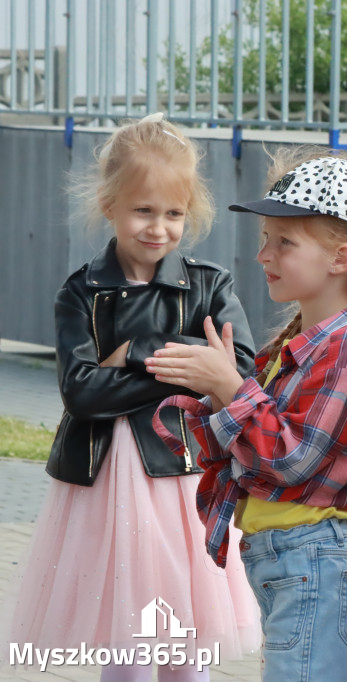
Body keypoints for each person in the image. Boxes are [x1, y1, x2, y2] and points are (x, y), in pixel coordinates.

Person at [7, 113, 260, 682]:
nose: (158, 228)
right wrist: (184, 367)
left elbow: (238, 371)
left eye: (173, 214)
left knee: (184, 640)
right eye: (143, 210)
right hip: (106, 483)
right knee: (126, 643)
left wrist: (140, 350)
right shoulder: (80, 292)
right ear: (110, 204)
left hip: (184, 477)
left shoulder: (209, 284)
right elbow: (82, 393)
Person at [146, 149, 347, 682]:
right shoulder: (297, 346)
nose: (264, 255)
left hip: (316, 560)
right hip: (293, 560)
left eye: (284, 242)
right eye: (266, 239)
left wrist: (229, 387)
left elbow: (289, 460)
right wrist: (217, 392)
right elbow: (247, 451)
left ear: (339, 259)